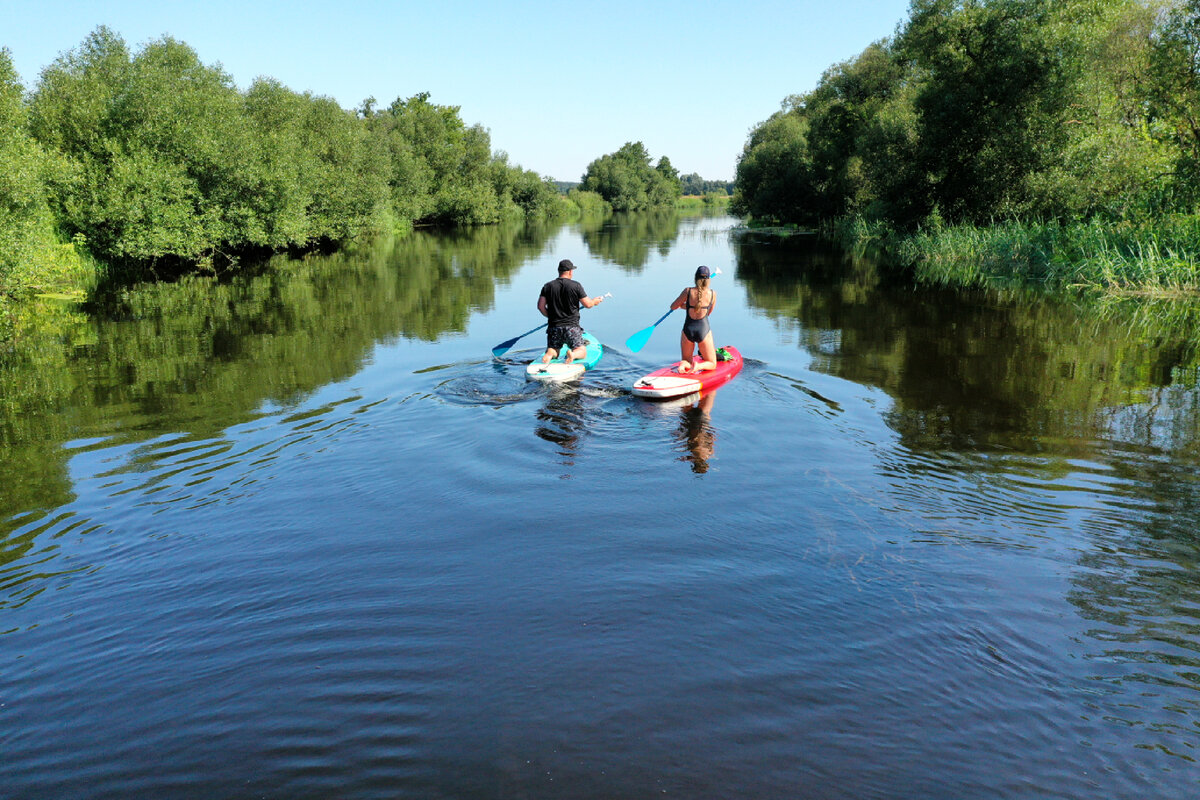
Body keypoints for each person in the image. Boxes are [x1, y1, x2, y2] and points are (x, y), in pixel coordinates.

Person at [537, 259, 604, 364]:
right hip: (572, 327)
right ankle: (573, 354)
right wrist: (595, 301)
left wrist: (551, 317)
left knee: (553, 349)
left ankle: (549, 355)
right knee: (581, 351)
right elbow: (588, 304)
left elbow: (541, 306)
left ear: (559, 271)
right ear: (570, 272)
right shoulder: (576, 286)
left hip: (554, 327)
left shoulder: (548, 286)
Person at [671, 265, 717, 372]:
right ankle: (699, 366)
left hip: (688, 330)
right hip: (703, 330)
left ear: (695, 278)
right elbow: (708, 313)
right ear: (708, 280)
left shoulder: (688, 291)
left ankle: (682, 366)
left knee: (686, 360)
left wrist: (687, 306)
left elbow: (673, 306)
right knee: (712, 363)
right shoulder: (713, 294)